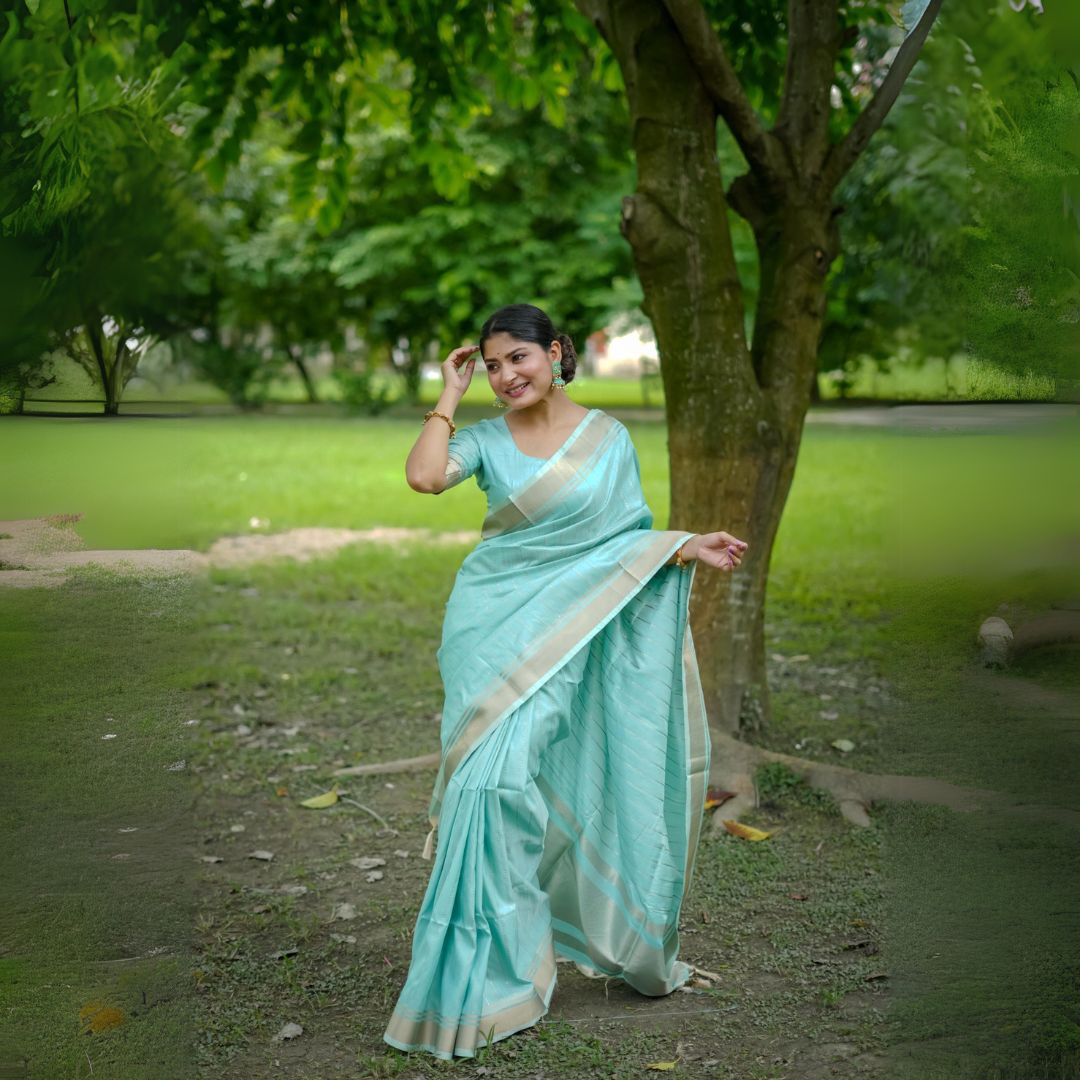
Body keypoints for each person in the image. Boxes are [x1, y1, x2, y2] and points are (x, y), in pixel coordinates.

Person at [382, 303, 748, 1060]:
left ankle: (511, 961)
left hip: (565, 631)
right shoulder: (482, 438)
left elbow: (621, 542)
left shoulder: (608, 440)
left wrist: (684, 545)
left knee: (505, 786)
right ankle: (495, 971)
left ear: (556, 352)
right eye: (490, 365)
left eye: (518, 358)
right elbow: (422, 477)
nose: (505, 375)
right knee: (482, 789)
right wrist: (446, 397)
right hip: (488, 628)